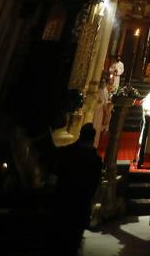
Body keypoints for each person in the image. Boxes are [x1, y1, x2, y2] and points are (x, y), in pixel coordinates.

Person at [51, 123, 102, 255]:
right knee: (74, 238)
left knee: (59, 238)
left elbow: (56, 172)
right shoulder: (95, 159)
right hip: (81, 202)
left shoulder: (66, 152)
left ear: (80, 135)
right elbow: (94, 183)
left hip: (63, 199)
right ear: (92, 140)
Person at [92, 77, 111, 146]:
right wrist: (99, 102)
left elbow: (105, 101)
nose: (102, 84)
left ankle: (95, 144)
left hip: (101, 112)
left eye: (104, 82)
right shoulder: (97, 90)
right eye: (101, 82)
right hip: (96, 111)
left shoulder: (105, 90)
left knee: (98, 128)